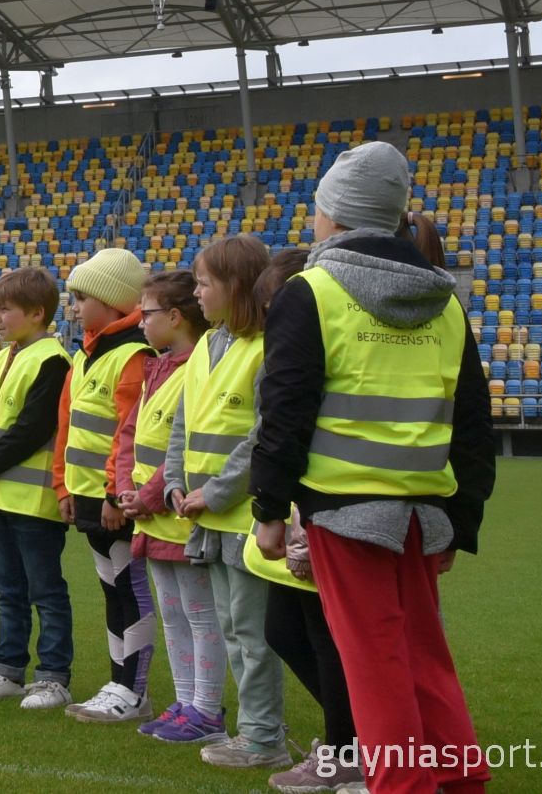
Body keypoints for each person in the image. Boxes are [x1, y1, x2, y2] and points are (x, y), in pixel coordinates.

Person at [252, 145, 495, 794]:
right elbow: (473, 424)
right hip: (425, 513)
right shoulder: (445, 301)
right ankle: (460, 783)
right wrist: (460, 519)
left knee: (375, 670)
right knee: (424, 664)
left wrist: (270, 509)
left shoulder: (313, 290)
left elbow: (285, 408)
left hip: (346, 513)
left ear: (332, 214)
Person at [165, 232, 290, 771]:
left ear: (237, 287)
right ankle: (256, 730)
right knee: (233, 630)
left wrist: (212, 493)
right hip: (206, 517)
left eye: (204, 283)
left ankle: (264, 736)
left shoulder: (268, 349)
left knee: (252, 634)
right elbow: (182, 425)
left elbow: (262, 435)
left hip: (243, 517)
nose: (196, 293)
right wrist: (174, 481)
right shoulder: (206, 348)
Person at [248, 245, 367, 792]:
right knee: (285, 630)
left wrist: (296, 521)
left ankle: (352, 747)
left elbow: (301, 431)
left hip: (328, 510)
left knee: (327, 637)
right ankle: (363, 736)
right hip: (303, 513)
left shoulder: (321, 348)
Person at [119, 269, 226, 746]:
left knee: (201, 614)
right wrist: (126, 487)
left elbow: (178, 447)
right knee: (173, 614)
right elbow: (131, 436)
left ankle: (207, 708)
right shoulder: (156, 367)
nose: (141, 322)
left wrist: (144, 496)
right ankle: (185, 703)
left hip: (178, 513)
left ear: (176, 316)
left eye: (148, 314)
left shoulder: (195, 368)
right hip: (151, 516)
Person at [0, 267, 74, 710]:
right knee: (7, 589)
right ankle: (8, 669)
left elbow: (33, 427)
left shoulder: (53, 360)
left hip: (35, 499)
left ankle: (53, 676)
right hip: (0, 497)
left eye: (5, 309)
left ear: (36, 313)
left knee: (44, 591)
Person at [52, 247, 154, 723]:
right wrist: (64, 488)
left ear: (112, 302)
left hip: (113, 501)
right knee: (113, 590)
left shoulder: (134, 355)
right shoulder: (85, 353)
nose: (73, 307)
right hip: (88, 497)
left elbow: (129, 431)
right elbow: (67, 427)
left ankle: (131, 689)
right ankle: (120, 682)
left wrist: (115, 493)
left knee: (128, 591)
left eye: (81, 297)